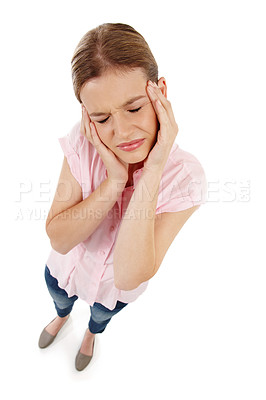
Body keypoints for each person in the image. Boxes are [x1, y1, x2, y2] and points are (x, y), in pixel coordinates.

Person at [38, 22, 207, 372]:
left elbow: (130, 276)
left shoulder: (185, 178)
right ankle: (61, 316)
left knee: (100, 316)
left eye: (134, 109)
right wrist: (113, 182)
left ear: (159, 92)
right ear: (87, 116)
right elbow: (58, 237)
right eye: (101, 117)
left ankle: (89, 334)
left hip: (111, 292)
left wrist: (154, 168)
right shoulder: (83, 142)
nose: (122, 132)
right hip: (65, 271)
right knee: (58, 296)